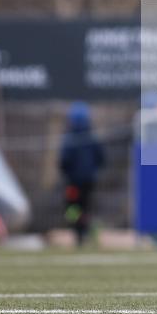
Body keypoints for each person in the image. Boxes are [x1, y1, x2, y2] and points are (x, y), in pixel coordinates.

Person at [59, 102, 105, 247]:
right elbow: (101, 158)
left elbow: (64, 160)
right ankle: (86, 229)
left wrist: (66, 173)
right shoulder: (92, 136)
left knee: (72, 208)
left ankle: (79, 231)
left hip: (73, 182)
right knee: (86, 206)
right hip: (89, 181)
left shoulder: (70, 138)